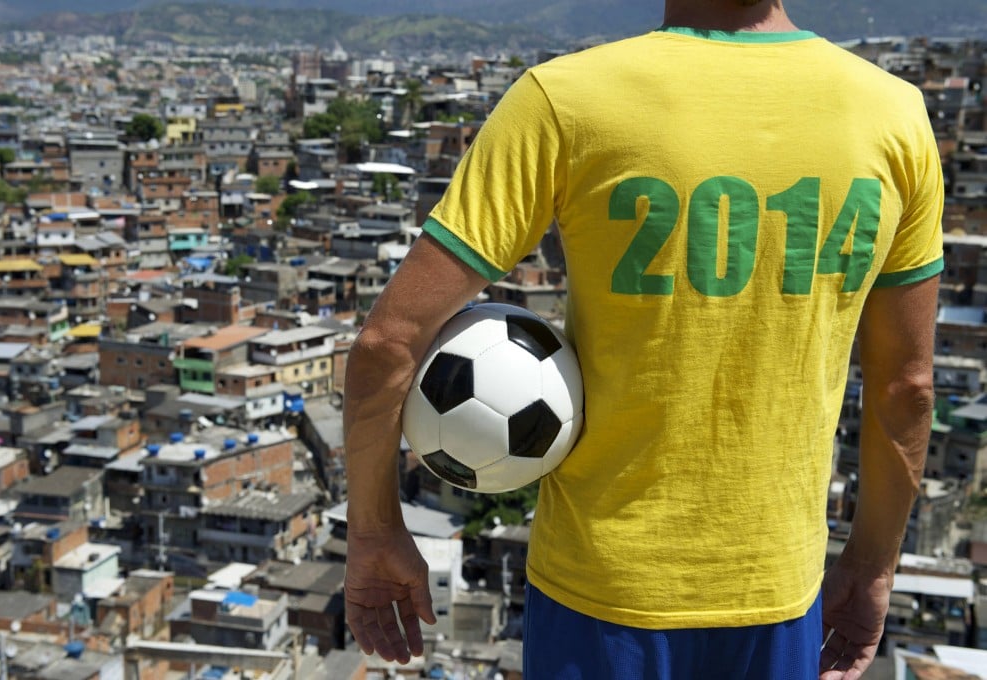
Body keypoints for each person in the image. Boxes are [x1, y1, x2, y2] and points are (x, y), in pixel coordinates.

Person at [342, 0, 943, 677]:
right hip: (775, 593)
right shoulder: (893, 115)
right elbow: (906, 388)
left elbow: (387, 344)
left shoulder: (564, 99)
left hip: (597, 594)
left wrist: (373, 531)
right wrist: (870, 567)